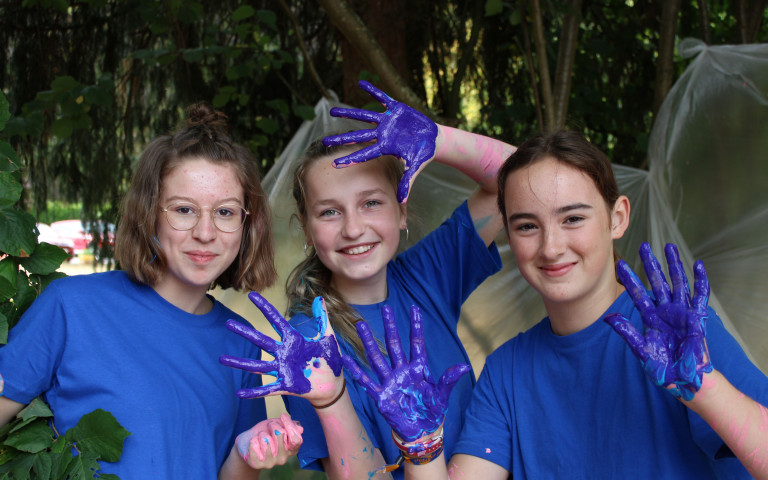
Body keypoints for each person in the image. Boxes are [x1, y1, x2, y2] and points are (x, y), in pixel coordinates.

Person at [345, 130, 768, 479]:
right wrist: (421, 448)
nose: (551, 246)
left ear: (616, 217)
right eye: (527, 225)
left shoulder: (676, 339)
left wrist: (706, 389)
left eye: (573, 218)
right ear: (508, 234)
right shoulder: (506, 372)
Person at [0, 103, 303, 478]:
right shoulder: (72, 307)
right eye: (183, 210)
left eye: (224, 212)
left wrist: (247, 455)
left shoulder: (240, 342)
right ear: (149, 213)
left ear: (247, 225)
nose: (205, 233)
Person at [278, 79, 515, 479]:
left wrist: (439, 140)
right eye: (330, 212)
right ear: (306, 228)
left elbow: (523, 182)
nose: (354, 229)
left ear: (401, 211)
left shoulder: (428, 275)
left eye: (371, 203)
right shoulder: (307, 346)